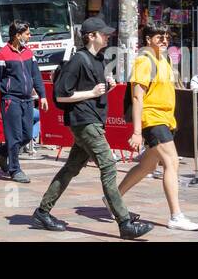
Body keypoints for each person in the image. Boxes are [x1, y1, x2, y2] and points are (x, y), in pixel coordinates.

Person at [33, 16, 152, 238]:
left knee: (71, 168)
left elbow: (92, 92)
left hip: (92, 120)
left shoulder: (98, 59)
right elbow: (61, 95)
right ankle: (124, 222)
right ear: (91, 36)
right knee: (108, 166)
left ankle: (42, 212)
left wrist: (105, 88)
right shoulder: (79, 59)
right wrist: (92, 93)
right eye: (103, 33)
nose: (107, 36)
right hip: (84, 123)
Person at [117, 22, 198, 231]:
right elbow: (137, 98)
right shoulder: (144, 61)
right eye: (159, 37)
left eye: (166, 36)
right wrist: (137, 132)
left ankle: (113, 199)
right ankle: (176, 215)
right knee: (171, 162)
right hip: (152, 119)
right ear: (148, 39)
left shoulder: (164, 59)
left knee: (148, 166)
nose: (164, 40)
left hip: (165, 119)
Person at [0, 20, 47, 184]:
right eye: (27, 33)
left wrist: (43, 95)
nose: (30, 36)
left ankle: (3, 152)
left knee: (26, 135)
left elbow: (36, 76)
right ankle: (15, 169)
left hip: (27, 100)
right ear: (18, 36)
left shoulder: (29, 53)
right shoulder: (2, 54)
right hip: (10, 100)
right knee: (14, 136)